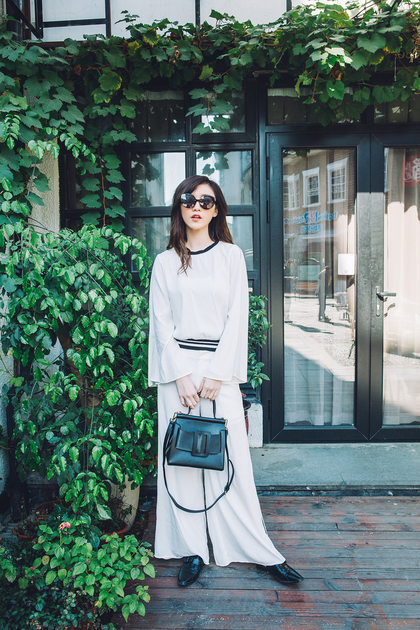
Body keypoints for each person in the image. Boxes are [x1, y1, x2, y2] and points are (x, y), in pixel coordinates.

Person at [148, 175, 303, 587]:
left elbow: (237, 318)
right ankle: (192, 548)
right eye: (189, 199)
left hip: (220, 370)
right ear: (179, 206)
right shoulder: (165, 262)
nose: (196, 207)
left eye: (206, 201)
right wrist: (180, 376)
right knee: (181, 462)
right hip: (178, 372)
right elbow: (161, 323)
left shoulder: (231, 256)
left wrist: (218, 373)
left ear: (217, 210)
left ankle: (256, 548)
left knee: (232, 459)